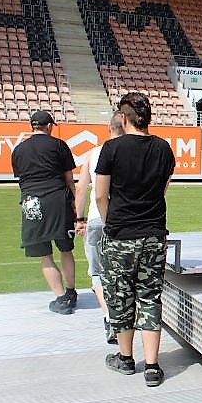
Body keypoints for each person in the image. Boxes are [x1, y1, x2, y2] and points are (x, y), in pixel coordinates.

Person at [96, 92, 175, 387]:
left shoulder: (111, 148)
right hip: (153, 233)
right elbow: (163, 189)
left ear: (123, 117)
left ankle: (126, 359)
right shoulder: (164, 148)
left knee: (121, 297)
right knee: (150, 297)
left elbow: (101, 195)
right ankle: (152, 366)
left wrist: (111, 222)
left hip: (120, 235)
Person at [11, 110, 77, 314]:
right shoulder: (59, 145)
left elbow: (21, 178)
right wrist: (75, 203)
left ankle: (60, 299)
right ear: (49, 126)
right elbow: (68, 179)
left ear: (33, 126)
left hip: (32, 203)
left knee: (44, 254)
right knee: (65, 248)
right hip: (58, 201)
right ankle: (70, 292)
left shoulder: (19, 150)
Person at [74, 112, 125, 344]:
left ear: (108, 128)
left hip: (97, 219)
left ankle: (109, 316)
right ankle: (122, 318)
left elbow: (82, 188)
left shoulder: (94, 154)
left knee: (97, 273)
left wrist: (79, 219)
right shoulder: (130, 151)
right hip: (123, 219)